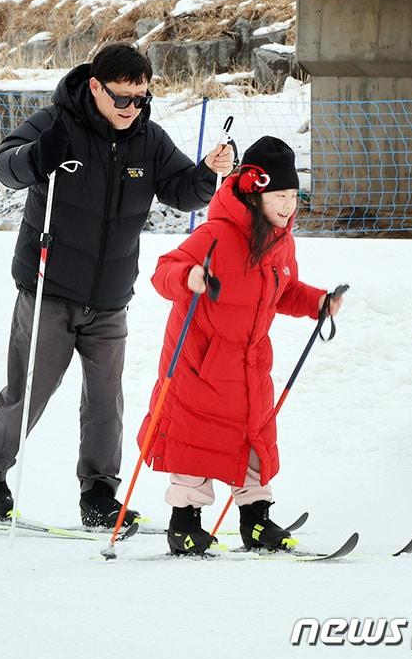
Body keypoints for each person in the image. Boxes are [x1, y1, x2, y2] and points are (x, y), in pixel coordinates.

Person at [0, 43, 234, 527]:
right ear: (95, 87)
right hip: (50, 289)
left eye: (141, 98)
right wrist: (37, 157)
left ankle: (98, 493)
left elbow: (181, 190)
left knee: (106, 402)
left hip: (111, 297)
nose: (132, 109)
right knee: (31, 390)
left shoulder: (149, 139)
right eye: (122, 98)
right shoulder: (57, 123)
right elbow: (4, 164)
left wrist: (206, 173)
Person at [137, 136, 343, 555]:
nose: (288, 206)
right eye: (278, 196)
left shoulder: (281, 241)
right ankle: (185, 525)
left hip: (249, 364)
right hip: (199, 362)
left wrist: (318, 303)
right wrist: (189, 278)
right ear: (254, 193)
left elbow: (282, 291)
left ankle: (255, 520)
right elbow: (164, 271)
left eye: (292, 196)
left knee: (253, 439)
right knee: (196, 442)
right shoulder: (217, 234)